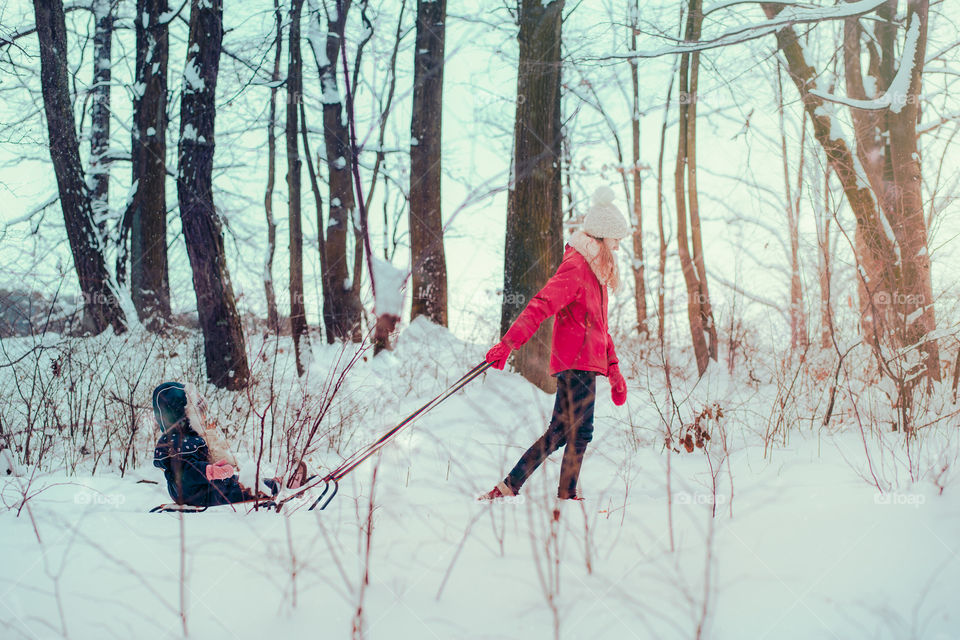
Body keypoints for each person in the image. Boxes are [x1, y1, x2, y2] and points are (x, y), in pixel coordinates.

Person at [480, 186, 629, 502]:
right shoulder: (576, 268)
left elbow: (602, 332)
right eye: (616, 238)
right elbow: (542, 303)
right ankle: (566, 495)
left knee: (559, 432)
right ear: (600, 237)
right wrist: (509, 343)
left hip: (585, 365)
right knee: (580, 432)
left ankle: (509, 486)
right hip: (576, 364)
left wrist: (614, 373)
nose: (619, 245)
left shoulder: (596, 276)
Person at [152, 381, 305, 506]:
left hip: (199, 489)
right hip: (195, 494)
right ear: (185, 417)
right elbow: (185, 472)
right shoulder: (178, 444)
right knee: (237, 490)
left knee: (237, 482)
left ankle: (272, 482)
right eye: (199, 414)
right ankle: (279, 487)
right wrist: (209, 471)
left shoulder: (187, 439)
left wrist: (213, 468)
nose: (204, 418)